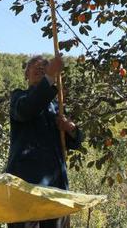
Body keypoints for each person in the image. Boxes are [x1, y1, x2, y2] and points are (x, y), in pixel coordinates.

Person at [6, 55, 84, 228]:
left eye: (45, 67)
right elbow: (26, 110)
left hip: (56, 187)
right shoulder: (19, 97)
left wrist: (70, 128)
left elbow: (76, 142)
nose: (40, 67)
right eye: (35, 66)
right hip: (25, 185)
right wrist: (49, 77)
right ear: (26, 75)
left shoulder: (58, 107)